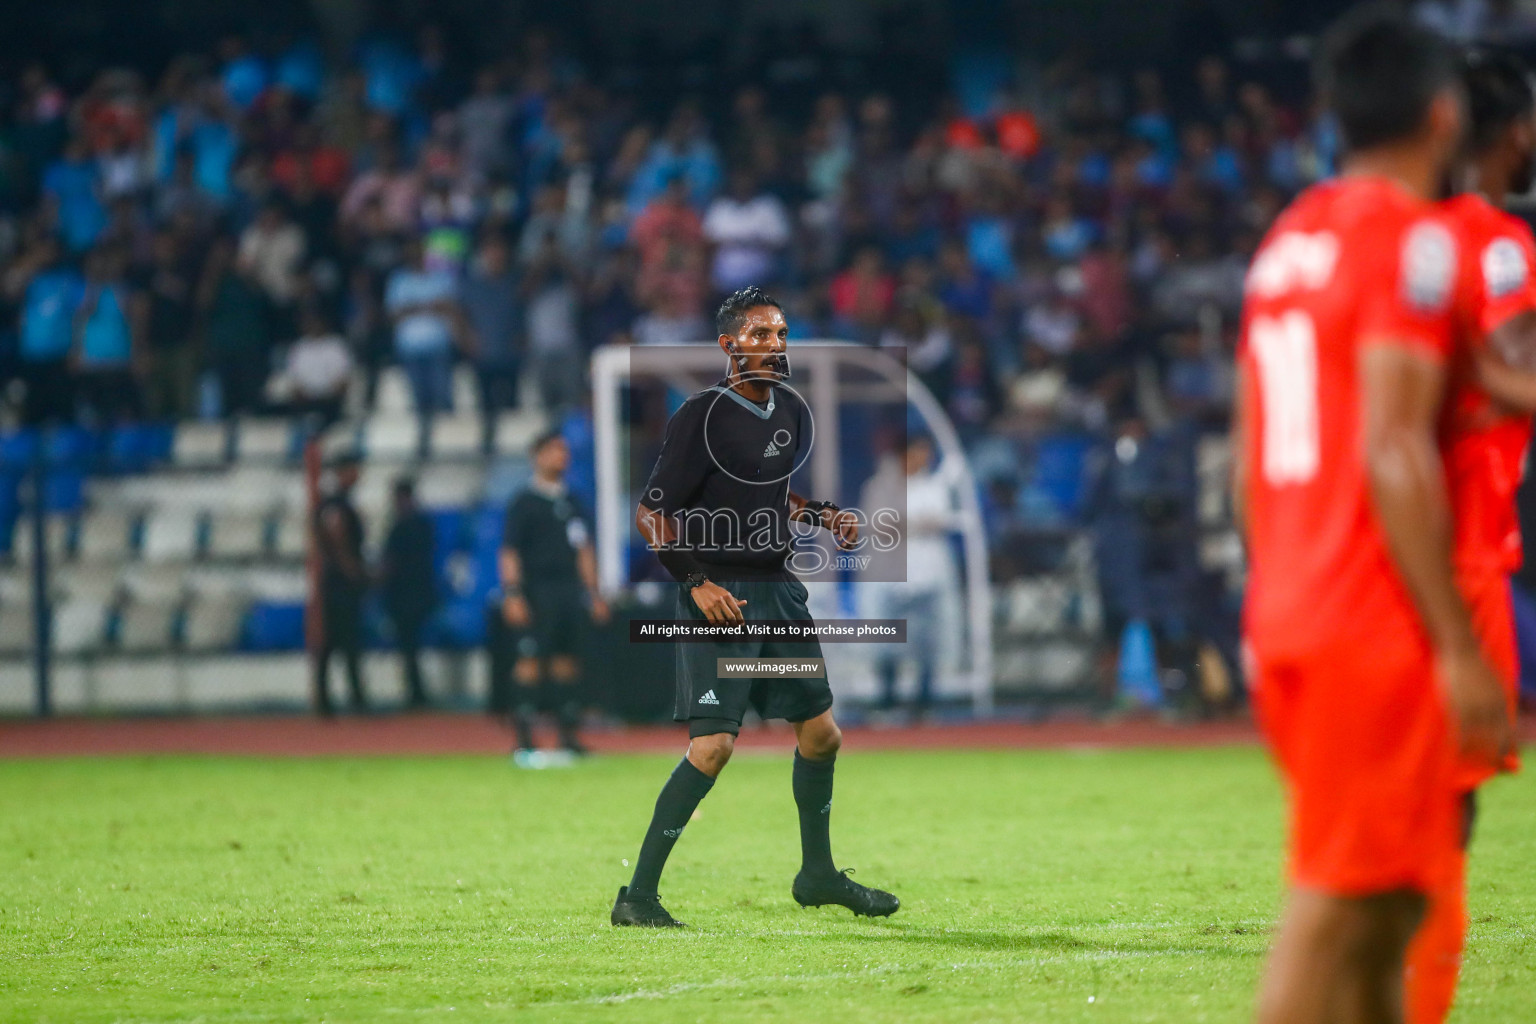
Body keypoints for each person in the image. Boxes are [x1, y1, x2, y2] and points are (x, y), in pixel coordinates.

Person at [1233, 11, 1512, 1024]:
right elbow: (1393, 443)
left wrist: (1277, 596)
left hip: (1296, 601)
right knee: (1341, 909)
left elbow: (1244, 456)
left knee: (1392, 901)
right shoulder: (1416, 242)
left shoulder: (1288, 241)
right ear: (1443, 115)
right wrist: (1456, 643)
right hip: (1371, 616)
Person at [612, 286, 900, 928]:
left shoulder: (788, 412)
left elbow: (768, 489)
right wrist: (696, 584)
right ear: (728, 345)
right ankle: (637, 895)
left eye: (780, 334)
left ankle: (818, 875)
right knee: (713, 748)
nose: (774, 345)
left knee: (822, 735)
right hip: (722, 600)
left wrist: (822, 515)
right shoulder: (699, 415)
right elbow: (651, 513)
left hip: (779, 595)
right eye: (761, 334)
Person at [1406, 50, 1536, 1024]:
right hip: (1459, 553)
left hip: (1389, 552)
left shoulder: (1394, 233)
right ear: (1512, 132)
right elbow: (1504, 359)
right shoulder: (1489, 242)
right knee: (1446, 812)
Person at [497, 431, 607, 758]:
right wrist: (513, 593)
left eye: (565, 450)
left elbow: (584, 549)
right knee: (530, 658)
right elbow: (509, 551)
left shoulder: (572, 501)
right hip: (536, 589)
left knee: (567, 659)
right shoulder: (524, 502)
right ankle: (524, 736)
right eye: (555, 450)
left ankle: (568, 735)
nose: (562, 456)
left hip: (569, 589)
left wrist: (594, 593)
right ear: (537, 455)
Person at [385, 237, 462, 458]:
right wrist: (429, 305)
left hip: (439, 348)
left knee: (443, 399)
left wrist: (414, 306)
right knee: (418, 403)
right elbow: (394, 314)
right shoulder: (398, 280)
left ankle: (450, 447)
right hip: (409, 349)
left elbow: (450, 308)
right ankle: (423, 447)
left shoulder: (442, 278)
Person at [314, 451, 370, 715]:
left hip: (335, 582)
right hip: (341, 585)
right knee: (343, 641)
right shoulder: (336, 504)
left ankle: (328, 700)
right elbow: (338, 539)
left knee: (336, 643)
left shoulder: (333, 503)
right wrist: (354, 572)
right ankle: (348, 700)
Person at [461, 233, 522, 454]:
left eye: (499, 250)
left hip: (509, 355)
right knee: (485, 406)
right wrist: (466, 337)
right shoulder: (473, 284)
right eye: (491, 250)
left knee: (511, 407)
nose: (496, 255)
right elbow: (460, 313)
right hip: (483, 355)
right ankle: (486, 444)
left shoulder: (514, 281)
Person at [380, 477, 437, 709]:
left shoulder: (400, 526)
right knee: (411, 647)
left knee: (408, 646)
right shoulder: (424, 524)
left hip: (404, 595)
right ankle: (417, 691)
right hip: (421, 592)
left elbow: (390, 563)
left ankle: (415, 693)